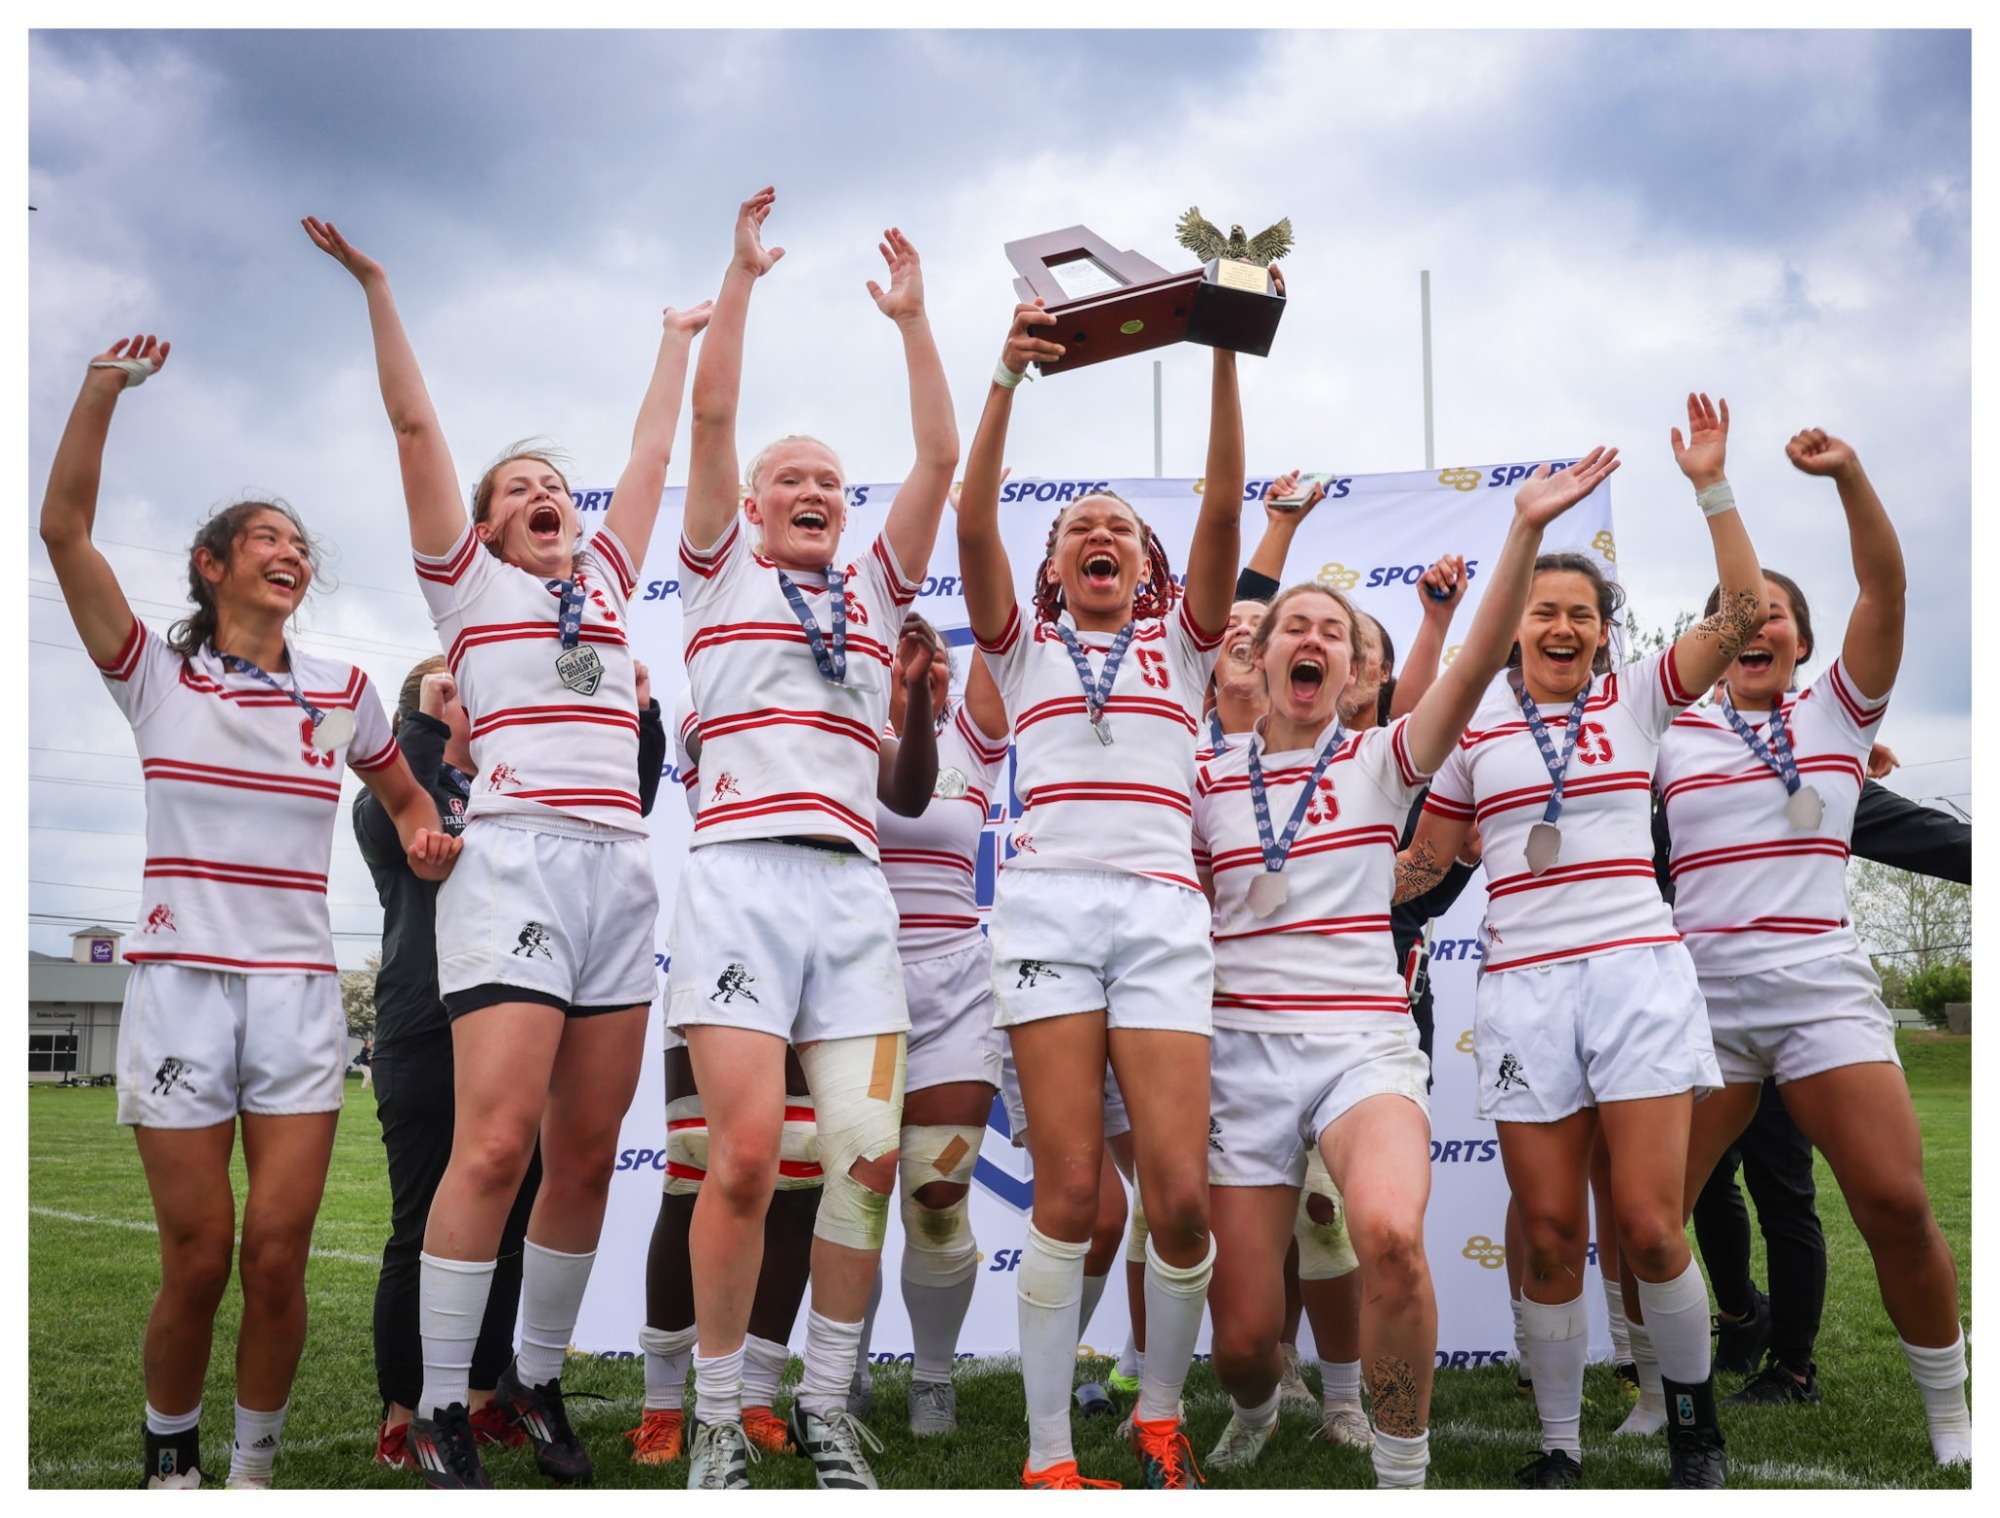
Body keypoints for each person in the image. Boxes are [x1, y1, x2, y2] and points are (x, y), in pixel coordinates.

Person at [306, 214, 709, 1487]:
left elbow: (651, 452)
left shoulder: (608, 583)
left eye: (554, 492)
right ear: (479, 533)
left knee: (582, 1152)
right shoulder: (469, 596)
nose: (546, 502)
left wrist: (675, 340)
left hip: (618, 869)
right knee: (492, 1146)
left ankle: (530, 1381)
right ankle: (433, 1404)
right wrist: (379, 287)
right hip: (516, 862)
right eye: (518, 494)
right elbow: (417, 434)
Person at [39, 333, 460, 1489]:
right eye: (266, 537)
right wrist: (101, 387)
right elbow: (64, 532)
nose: (290, 553)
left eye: (299, 544)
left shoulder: (341, 691)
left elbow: (405, 795)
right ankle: (168, 1464)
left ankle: (251, 1475)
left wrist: (425, 835)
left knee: (275, 1259)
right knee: (198, 1255)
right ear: (211, 563)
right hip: (178, 987)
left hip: (297, 995)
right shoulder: (153, 676)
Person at [1192, 452, 1611, 1488]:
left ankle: (1401, 1469)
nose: (1312, 639)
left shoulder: (1379, 759)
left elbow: (1469, 669)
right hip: (1236, 1054)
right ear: (1258, 654)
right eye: (1294, 624)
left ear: (1352, 673)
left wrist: (1519, 530)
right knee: (1244, 1340)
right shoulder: (1196, 776)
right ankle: (1253, 1405)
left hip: (1361, 1048)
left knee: (1384, 1231)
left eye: (1333, 632)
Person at [1399, 394, 1765, 1488]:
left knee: (1651, 1227)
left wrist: (1710, 486)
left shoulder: (1643, 699)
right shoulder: (1472, 730)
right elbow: (1424, 864)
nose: (1561, 628)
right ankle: (1557, 1447)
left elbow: (1743, 608)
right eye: (1541, 611)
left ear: (1604, 628)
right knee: (1551, 1232)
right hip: (1519, 990)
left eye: (1581, 614)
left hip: (1636, 977)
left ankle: (1692, 1429)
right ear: (1514, 623)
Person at [663, 187, 956, 1491]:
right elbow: (713, 414)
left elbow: (941, 462)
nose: (812, 491)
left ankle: (827, 1408)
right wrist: (739, 280)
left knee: (865, 1158)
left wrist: (914, 322)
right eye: (794, 477)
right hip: (735, 878)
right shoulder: (720, 566)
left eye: (831, 481)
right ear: (752, 501)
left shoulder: (873, 585)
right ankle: (719, 1419)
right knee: (737, 1156)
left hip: (851, 895)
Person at [956, 292, 1260, 1490]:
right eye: (1078, 525)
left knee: (1179, 1202)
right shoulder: (1018, 649)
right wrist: (1005, 379)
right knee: (1073, 1197)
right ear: (1052, 568)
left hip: (1157, 917)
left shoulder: (1182, 649)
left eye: (1120, 529)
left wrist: (1227, 353)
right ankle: (1046, 1457)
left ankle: (1158, 1415)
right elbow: (974, 520)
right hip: (1044, 915)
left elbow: (1225, 506)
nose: (1099, 534)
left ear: (1143, 568)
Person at [1655, 428, 1969, 1465]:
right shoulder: (1665, 734)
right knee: (1653, 1222)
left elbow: (1885, 588)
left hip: (1818, 998)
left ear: (1797, 640)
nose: (1757, 628)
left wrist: (1846, 476)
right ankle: (1663, 1395)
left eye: (1778, 616)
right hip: (1697, 1006)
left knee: (1893, 1204)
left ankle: (1950, 1417)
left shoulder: (1837, 712)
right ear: (1716, 637)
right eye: (1740, 617)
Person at [359, 654, 667, 1470]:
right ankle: (406, 1407)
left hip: (527, 1024)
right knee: (423, 1222)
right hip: (427, 1031)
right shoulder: (414, 791)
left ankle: (494, 1393)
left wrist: (639, 716)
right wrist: (427, 723)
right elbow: (394, 810)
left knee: (514, 1218)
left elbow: (619, 808)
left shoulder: (526, 797)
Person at [625, 684, 829, 1467]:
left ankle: (755, 1395)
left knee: (801, 1169)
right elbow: (719, 748)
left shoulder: (839, 663)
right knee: (696, 1168)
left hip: (820, 937)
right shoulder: (723, 674)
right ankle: (662, 1405)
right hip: (725, 934)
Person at [874, 615, 1012, 1435]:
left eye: (935, 668)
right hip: (852, 985)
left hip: (956, 986)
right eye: (904, 664)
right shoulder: (837, 733)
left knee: (935, 1192)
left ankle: (932, 1379)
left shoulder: (973, 743)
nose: (924, 675)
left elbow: (1004, 628)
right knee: (844, 1197)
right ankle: (838, 1368)